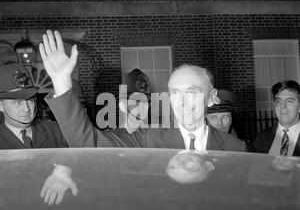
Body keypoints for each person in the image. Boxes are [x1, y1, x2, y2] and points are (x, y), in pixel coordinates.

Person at [40, 30, 246, 152]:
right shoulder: (148, 139)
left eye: (192, 92)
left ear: (211, 98)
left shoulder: (236, 148)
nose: (181, 102)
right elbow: (89, 144)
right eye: (175, 93)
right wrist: (61, 83)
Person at [0, 62, 68, 149]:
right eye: (18, 102)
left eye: (30, 100)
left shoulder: (55, 130)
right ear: (1, 106)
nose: (27, 109)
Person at [253, 80, 300, 156]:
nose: (283, 106)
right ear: (274, 105)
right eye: (278, 101)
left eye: (289, 101)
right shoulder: (262, 137)